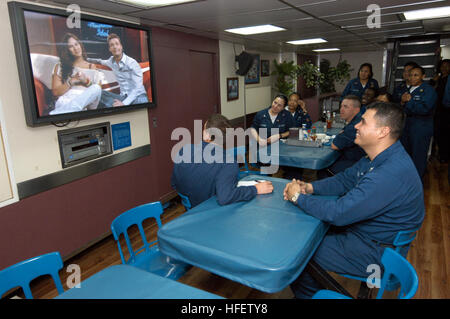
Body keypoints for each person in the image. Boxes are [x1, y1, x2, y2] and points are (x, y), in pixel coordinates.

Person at [283, 102, 424, 299]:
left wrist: (297, 197)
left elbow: (338, 213)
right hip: (371, 237)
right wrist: (310, 187)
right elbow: (345, 179)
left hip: (377, 254)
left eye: (363, 122)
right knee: (306, 233)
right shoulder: (381, 157)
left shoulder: (388, 174)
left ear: (383, 131)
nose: (356, 125)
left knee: (298, 253)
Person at [171, 114, 273, 208]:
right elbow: (225, 197)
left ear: (206, 134)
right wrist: (256, 189)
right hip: (210, 211)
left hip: (188, 206)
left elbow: (174, 183)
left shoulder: (185, 149)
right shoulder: (228, 163)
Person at [89, 33, 148, 107]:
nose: (115, 47)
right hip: (123, 97)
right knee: (98, 92)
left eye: (117, 44)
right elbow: (99, 61)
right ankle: (117, 106)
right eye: (112, 45)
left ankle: (118, 106)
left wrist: (124, 103)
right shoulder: (110, 61)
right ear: (109, 49)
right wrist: (86, 59)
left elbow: (137, 88)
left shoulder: (132, 63)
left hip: (138, 97)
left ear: (121, 46)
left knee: (141, 102)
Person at [50, 33, 102, 115]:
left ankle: (61, 113)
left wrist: (86, 81)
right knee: (73, 105)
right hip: (65, 101)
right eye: (71, 46)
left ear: (80, 45)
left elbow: (96, 95)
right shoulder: (60, 66)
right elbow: (55, 92)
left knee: (96, 88)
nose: (76, 48)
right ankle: (72, 111)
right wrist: (71, 82)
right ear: (67, 50)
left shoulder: (91, 66)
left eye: (76, 44)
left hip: (84, 103)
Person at [400, 65, 437, 179]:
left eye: (416, 75)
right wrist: (402, 102)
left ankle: (416, 180)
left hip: (421, 127)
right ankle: (406, 178)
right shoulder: (407, 89)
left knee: (418, 156)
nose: (412, 77)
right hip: (406, 127)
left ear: (423, 76)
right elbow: (401, 109)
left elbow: (424, 109)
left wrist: (409, 101)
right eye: (410, 75)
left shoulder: (428, 90)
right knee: (405, 154)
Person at [327, 95, 366, 175]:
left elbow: (335, 145)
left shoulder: (355, 125)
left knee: (325, 166)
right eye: (341, 106)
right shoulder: (357, 120)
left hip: (356, 163)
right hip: (357, 159)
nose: (341, 110)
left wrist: (341, 134)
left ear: (356, 110)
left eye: (345, 107)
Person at [430, 59, 450, 163]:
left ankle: (445, 156)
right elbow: (429, 88)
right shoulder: (438, 78)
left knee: (445, 134)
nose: (444, 68)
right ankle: (441, 154)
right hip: (437, 110)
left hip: (447, 111)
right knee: (438, 133)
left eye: (447, 66)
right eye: (443, 66)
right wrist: (434, 81)